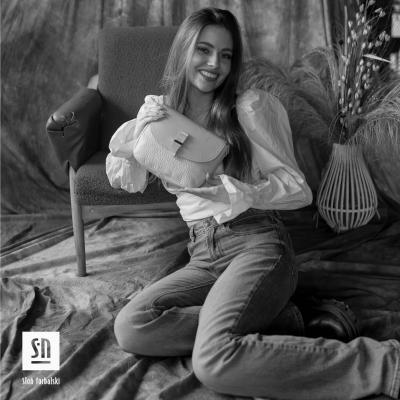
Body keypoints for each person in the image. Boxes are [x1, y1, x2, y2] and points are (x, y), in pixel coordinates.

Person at [106, 7, 400, 400]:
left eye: (225, 55)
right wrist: (137, 136)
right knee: (132, 326)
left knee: (212, 360)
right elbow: (126, 180)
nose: (215, 64)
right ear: (183, 49)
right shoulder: (159, 112)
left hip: (256, 242)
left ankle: (385, 364)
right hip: (202, 253)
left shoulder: (248, 108)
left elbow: (298, 189)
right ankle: (289, 318)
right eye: (204, 50)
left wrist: (244, 191)